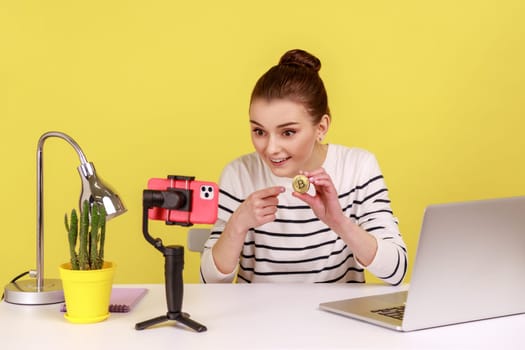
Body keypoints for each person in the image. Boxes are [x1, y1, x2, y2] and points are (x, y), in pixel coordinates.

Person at [200, 49, 407, 284]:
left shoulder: (358, 167)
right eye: (259, 131)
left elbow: (396, 270)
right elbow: (210, 283)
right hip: (258, 318)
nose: (270, 148)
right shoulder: (239, 174)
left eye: (288, 132)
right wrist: (237, 225)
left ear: (321, 127)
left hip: (335, 318)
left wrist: (339, 222)